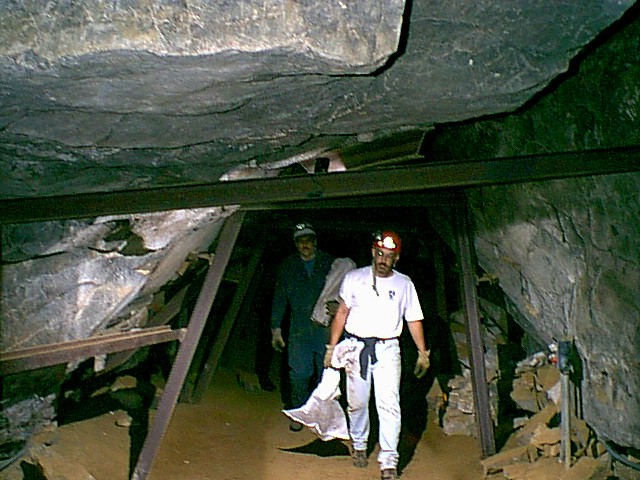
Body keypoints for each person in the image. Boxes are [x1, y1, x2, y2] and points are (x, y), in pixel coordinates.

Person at [323, 230, 430, 480]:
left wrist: (422, 352)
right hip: (356, 347)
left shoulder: (404, 284)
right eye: (380, 254)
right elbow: (342, 312)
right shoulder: (354, 278)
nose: (383, 260)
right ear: (373, 252)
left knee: (389, 404)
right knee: (358, 402)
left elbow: (413, 319)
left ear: (396, 258)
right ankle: (359, 444)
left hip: (388, 348)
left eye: (389, 256)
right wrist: (331, 347)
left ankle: (389, 461)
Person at [271, 222, 335, 431]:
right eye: (300, 241)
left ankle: (320, 414)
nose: (304, 245)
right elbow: (280, 297)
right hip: (299, 329)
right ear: (296, 244)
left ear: (315, 242)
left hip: (324, 328)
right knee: (299, 373)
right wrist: (276, 328)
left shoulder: (330, 263)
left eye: (308, 240)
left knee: (325, 374)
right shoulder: (288, 266)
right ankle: (299, 413)